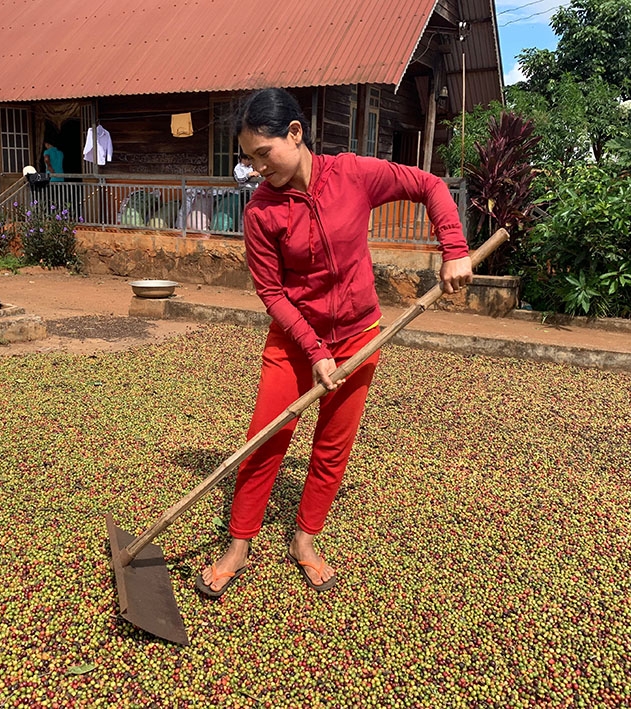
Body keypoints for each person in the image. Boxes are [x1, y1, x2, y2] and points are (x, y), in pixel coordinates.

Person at [197, 88, 472, 597]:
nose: (257, 168)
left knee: (332, 446)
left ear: (295, 134)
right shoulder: (261, 212)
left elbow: (431, 185)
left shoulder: (353, 175)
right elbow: (272, 292)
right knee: (265, 440)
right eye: (249, 159)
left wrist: (453, 248)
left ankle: (305, 540)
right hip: (294, 343)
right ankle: (238, 543)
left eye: (264, 153)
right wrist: (315, 351)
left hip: (360, 337)